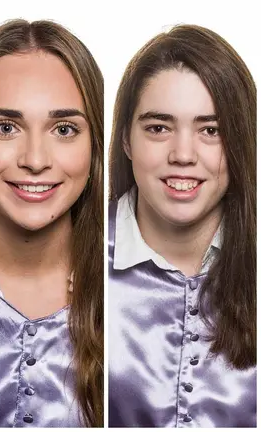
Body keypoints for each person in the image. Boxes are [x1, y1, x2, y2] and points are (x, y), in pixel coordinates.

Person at [0, 19, 104, 427]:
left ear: (95, 149)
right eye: (5, 127)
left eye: (64, 129)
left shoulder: (131, 289)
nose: (35, 160)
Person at [108, 24, 256, 427]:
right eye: (159, 128)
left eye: (211, 130)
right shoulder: (68, 257)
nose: (184, 154)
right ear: (126, 140)